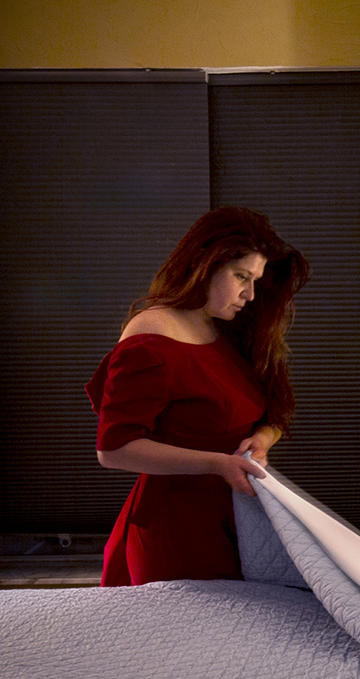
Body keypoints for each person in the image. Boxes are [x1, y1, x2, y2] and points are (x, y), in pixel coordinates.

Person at [86, 207, 309, 586]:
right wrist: (219, 464)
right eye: (241, 276)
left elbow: (272, 413)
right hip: (177, 530)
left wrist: (262, 440)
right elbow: (114, 449)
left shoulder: (228, 328)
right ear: (205, 263)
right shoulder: (152, 337)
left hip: (234, 518)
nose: (250, 294)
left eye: (255, 280)